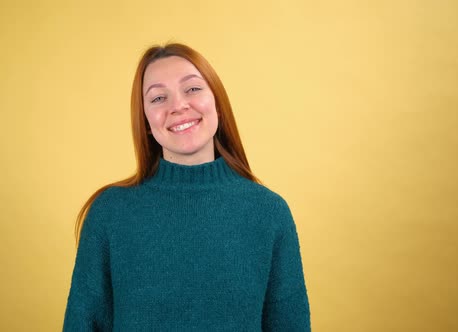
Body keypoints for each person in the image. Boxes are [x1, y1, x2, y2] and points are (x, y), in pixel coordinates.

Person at [63, 43, 311, 331]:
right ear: (145, 121)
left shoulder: (269, 212)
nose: (178, 106)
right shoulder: (110, 212)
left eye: (192, 89)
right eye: (158, 98)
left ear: (217, 101)